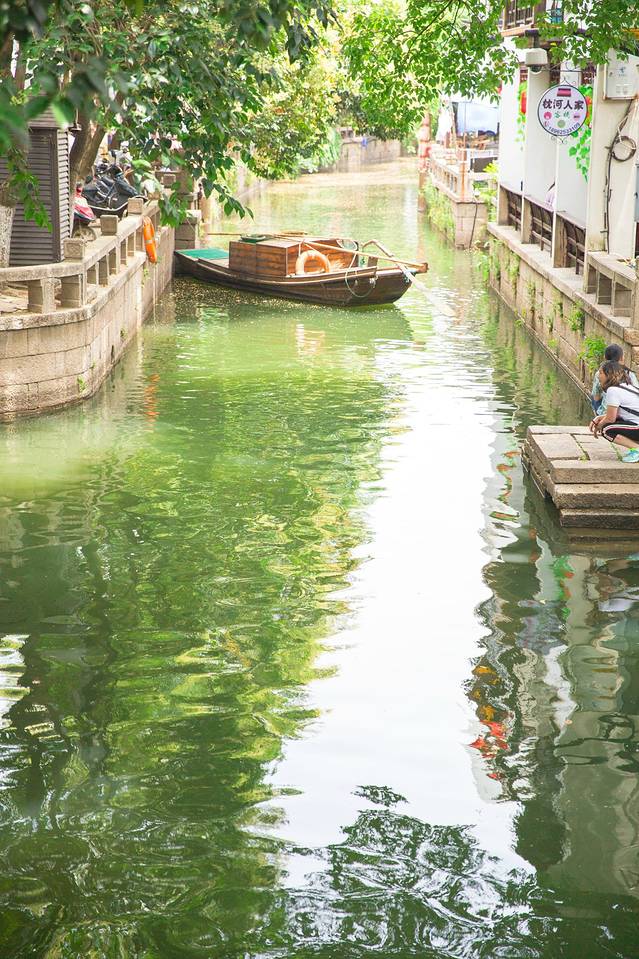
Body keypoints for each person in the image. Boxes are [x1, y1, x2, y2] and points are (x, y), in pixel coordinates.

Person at [590, 360, 639, 463]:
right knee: (611, 424)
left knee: (606, 429)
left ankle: (636, 449)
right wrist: (599, 418)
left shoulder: (613, 390)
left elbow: (610, 419)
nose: (598, 376)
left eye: (601, 373)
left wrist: (598, 426)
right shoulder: (627, 386)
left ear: (609, 374)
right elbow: (615, 415)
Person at [591, 343, 639, 414]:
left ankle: (599, 413)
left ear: (605, 358)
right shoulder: (630, 374)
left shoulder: (600, 373)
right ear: (621, 358)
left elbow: (596, 396)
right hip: (626, 413)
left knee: (595, 396)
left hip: (607, 412)